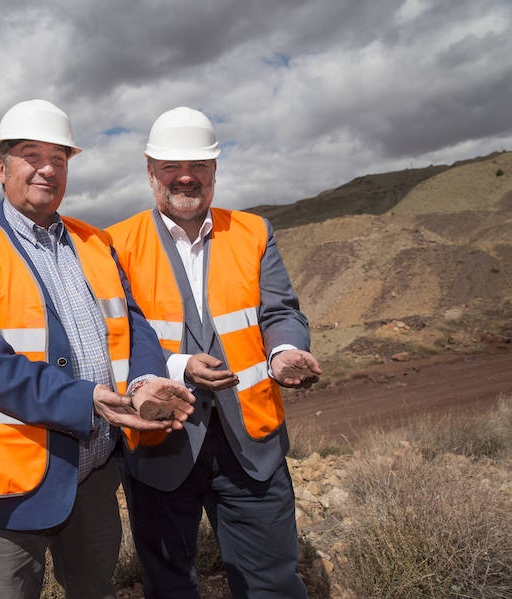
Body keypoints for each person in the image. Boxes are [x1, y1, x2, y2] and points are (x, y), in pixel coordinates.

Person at [0, 99, 195, 599]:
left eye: (61, 158)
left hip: (92, 476)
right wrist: (85, 399)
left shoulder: (96, 242)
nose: (48, 169)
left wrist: (145, 382)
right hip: (7, 484)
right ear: (0, 168)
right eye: (32, 155)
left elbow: (132, 327)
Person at [107, 106, 322, 599]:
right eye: (171, 167)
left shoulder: (254, 232)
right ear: (150, 170)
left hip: (250, 446)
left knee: (272, 582)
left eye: (199, 166)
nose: (186, 178)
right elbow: (116, 337)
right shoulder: (115, 244)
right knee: (169, 585)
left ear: (214, 170)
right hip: (161, 440)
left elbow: (279, 312)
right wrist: (179, 366)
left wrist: (285, 350)